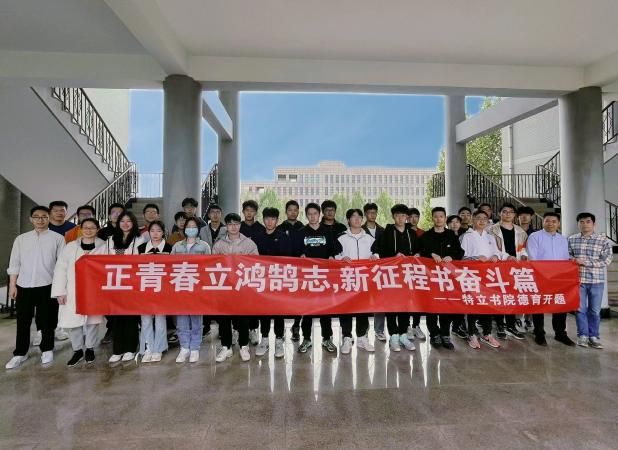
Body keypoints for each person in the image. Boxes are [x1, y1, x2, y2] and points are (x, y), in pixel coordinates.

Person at [5, 206, 65, 369]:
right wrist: (12, 285)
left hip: (47, 285)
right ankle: (20, 353)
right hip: (24, 285)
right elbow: (14, 263)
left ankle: (47, 349)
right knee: (23, 321)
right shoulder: (21, 239)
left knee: (47, 320)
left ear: (49, 218)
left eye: (44, 216)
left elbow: (61, 265)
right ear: (31, 219)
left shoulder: (58, 238)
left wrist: (60, 288)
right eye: (36, 217)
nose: (40, 220)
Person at [51, 218, 105, 366]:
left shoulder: (103, 246)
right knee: (74, 322)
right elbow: (60, 270)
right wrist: (60, 292)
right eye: (85, 227)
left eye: (92, 228)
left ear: (97, 229)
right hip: (72, 290)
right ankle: (77, 350)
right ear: (81, 229)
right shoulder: (70, 247)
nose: (88, 230)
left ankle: (90, 348)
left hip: (94, 291)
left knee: (92, 322)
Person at [92, 211, 143, 362]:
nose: (125, 224)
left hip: (132, 284)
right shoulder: (110, 240)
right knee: (116, 318)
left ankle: (130, 349)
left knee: (131, 318)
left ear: (133, 223)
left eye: (129, 221)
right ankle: (118, 350)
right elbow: (97, 257)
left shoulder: (139, 240)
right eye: (122, 221)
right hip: (114, 284)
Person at [293, 202, 341, 354]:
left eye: (315, 214)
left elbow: (334, 250)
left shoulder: (327, 231)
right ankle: (306, 338)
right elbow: (295, 252)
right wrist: (300, 255)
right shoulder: (301, 232)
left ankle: (327, 338)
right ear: (306, 215)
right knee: (307, 309)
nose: (312, 216)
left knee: (325, 309)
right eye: (310, 214)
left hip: (324, 276)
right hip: (307, 277)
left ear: (319, 215)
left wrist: (332, 256)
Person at [372, 204, 420, 352]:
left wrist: (417, 255)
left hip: (407, 275)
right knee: (391, 304)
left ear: (407, 217)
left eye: (403, 215)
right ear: (393, 217)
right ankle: (393, 335)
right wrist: (394, 256)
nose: (400, 218)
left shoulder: (411, 233)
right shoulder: (387, 232)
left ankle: (403, 334)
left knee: (405, 305)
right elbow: (377, 250)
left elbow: (419, 250)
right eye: (397, 215)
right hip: (391, 275)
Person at [213, 213, 259, 363]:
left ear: (240, 225)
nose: (233, 227)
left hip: (242, 287)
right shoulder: (219, 244)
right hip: (224, 287)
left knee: (243, 318)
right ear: (226, 226)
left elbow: (256, 264)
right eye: (230, 224)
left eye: (236, 224)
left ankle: (244, 346)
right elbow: (213, 265)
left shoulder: (249, 244)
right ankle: (226, 347)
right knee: (224, 319)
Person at [459, 210, 507, 349]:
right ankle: (471, 334)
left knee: (487, 303)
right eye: (478, 218)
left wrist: (496, 256)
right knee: (473, 304)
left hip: (488, 275)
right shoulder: (466, 236)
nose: (481, 221)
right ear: (473, 220)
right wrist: (475, 258)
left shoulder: (490, 237)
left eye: (484, 219)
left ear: (488, 221)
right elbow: (461, 257)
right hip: (472, 275)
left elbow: (497, 252)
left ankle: (487, 333)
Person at [418, 206, 464, 350]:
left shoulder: (451, 235)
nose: (438, 219)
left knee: (446, 306)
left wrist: (452, 256)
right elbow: (419, 252)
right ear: (432, 218)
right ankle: (434, 335)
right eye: (436, 216)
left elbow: (460, 252)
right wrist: (431, 254)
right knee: (431, 307)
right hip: (430, 278)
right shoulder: (425, 236)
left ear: (445, 218)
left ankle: (445, 334)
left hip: (447, 278)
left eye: (441, 216)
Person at [526, 212, 575, 347]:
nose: (550, 224)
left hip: (559, 278)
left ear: (558, 223)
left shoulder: (563, 239)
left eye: (554, 221)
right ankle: (539, 333)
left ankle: (560, 333)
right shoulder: (535, 236)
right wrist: (544, 273)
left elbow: (566, 258)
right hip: (540, 276)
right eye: (547, 221)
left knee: (560, 303)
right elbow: (532, 257)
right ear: (543, 222)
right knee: (539, 304)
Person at [568, 212, 613, 349]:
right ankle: (582, 335)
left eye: (588, 221)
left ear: (594, 224)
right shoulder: (571, 239)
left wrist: (586, 263)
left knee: (594, 310)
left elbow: (607, 260)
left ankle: (594, 336)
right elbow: (567, 256)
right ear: (578, 224)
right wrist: (574, 260)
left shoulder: (603, 240)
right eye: (581, 222)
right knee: (580, 309)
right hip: (578, 280)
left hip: (596, 281)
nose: (585, 224)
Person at [253, 207, 293, 358]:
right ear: (263, 220)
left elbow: (288, 259)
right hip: (262, 280)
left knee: (278, 311)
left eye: (273, 219)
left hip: (278, 280)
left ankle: (278, 340)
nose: (270, 222)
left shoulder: (283, 237)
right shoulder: (257, 237)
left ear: (277, 220)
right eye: (267, 219)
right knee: (264, 310)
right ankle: (264, 339)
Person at [336, 208, 378, 354]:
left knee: (363, 309)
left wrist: (375, 256)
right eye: (353, 217)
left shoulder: (369, 238)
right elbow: (333, 255)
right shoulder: (341, 238)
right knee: (346, 309)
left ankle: (361, 337)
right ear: (348, 220)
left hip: (364, 279)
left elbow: (377, 253)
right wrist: (341, 258)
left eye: (359, 217)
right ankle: (347, 337)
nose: (357, 219)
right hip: (347, 278)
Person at [171, 217, 212, 363]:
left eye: (194, 226)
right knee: (181, 319)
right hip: (181, 287)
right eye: (189, 226)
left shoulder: (204, 246)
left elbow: (209, 267)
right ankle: (184, 347)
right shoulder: (177, 246)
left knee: (196, 319)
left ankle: (195, 347)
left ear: (198, 229)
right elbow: (170, 265)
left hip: (197, 288)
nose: (191, 229)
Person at [487, 203, 527, 340]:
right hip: (498, 266)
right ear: (500, 213)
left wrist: (523, 256)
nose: (508, 214)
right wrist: (504, 257)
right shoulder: (491, 230)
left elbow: (522, 248)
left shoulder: (521, 232)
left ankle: (511, 326)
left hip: (515, 267)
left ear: (514, 215)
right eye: (504, 211)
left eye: (511, 212)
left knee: (512, 297)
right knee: (499, 296)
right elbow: (490, 248)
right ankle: (499, 325)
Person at [136, 221, 172, 363]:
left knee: (160, 318)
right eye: (152, 231)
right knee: (145, 319)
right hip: (144, 288)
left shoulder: (170, 248)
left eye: (159, 231)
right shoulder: (141, 248)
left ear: (163, 232)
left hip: (162, 288)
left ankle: (159, 349)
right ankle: (148, 348)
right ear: (148, 233)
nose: (155, 234)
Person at [276, 200, 304, 341]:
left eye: (295, 210)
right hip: (283, 270)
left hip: (299, 269)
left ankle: (296, 325)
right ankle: (280, 330)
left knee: (299, 299)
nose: (292, 212)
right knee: (282, 299)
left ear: (298, 211)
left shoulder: (303, 228)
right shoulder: (280, 228)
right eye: (290, 210)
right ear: (286, 211)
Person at [239, 200, 266, 344]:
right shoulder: (238, 227)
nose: (249, 213)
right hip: (239, 270)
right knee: (240, 300)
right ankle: (238, 329)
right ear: (243, 211)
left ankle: (253, 329)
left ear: (256, 212)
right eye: (247, 210)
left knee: (254, 300)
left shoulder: (261, 228)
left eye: (252, 210)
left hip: (255, 269)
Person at [198, 203, 226, 338]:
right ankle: (206, 325)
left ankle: (222, 326)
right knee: (206, 297)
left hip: (222, 268)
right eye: (212, 212)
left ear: (221, 214)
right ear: (209, 215)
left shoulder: (226, 229)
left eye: (218, 212)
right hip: (206, 268)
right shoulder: (202, 230)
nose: (215, 215)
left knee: (221, 298)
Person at [362, 202, 386, 341]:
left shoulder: (383, 230)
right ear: (365, 214)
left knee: (380, 300)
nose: (372, 215)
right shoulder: (360, 230)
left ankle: (379, 330)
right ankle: (363, 330)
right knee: (364, 300)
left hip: (379, 270)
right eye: (370, 212)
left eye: (374, 212)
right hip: (364, 270)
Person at [406, 207, 426, 341]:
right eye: (410, 217)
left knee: (419, 298)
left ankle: (416, 325)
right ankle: (407, 326)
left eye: (416, 216)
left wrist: (420, 253)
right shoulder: (403, 231)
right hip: (405, 270)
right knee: (407, 298)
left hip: (419, 271)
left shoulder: (423, 233)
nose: (413, 219)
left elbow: (426, 249)